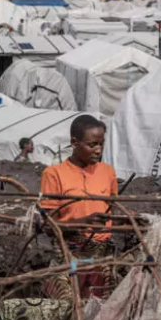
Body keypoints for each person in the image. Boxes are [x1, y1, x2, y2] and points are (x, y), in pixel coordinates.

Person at [40, 115, 118, 299]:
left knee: (99, 308)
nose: (98, 150)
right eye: (92, 145)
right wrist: (83, 222)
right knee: (69, 306)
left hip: (102, 256)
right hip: (71, 253)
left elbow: (113, 208)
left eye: (101, 144)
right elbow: (49, 225)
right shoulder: (54, 174)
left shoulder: (107, 172)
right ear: (74, 142)